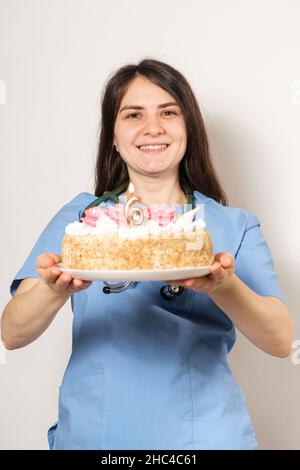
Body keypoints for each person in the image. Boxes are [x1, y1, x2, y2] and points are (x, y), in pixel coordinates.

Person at [1, 59, 294, 450]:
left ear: (188, 128)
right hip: (95, 437)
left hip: (204, 438)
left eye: (169, 113)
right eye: (133, 115)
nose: (152, 128)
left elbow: (280, 340)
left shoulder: (232, 225)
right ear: (114, 137)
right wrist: (55, 289)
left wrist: (223, 286)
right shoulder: (82, 219)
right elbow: (12, 332)